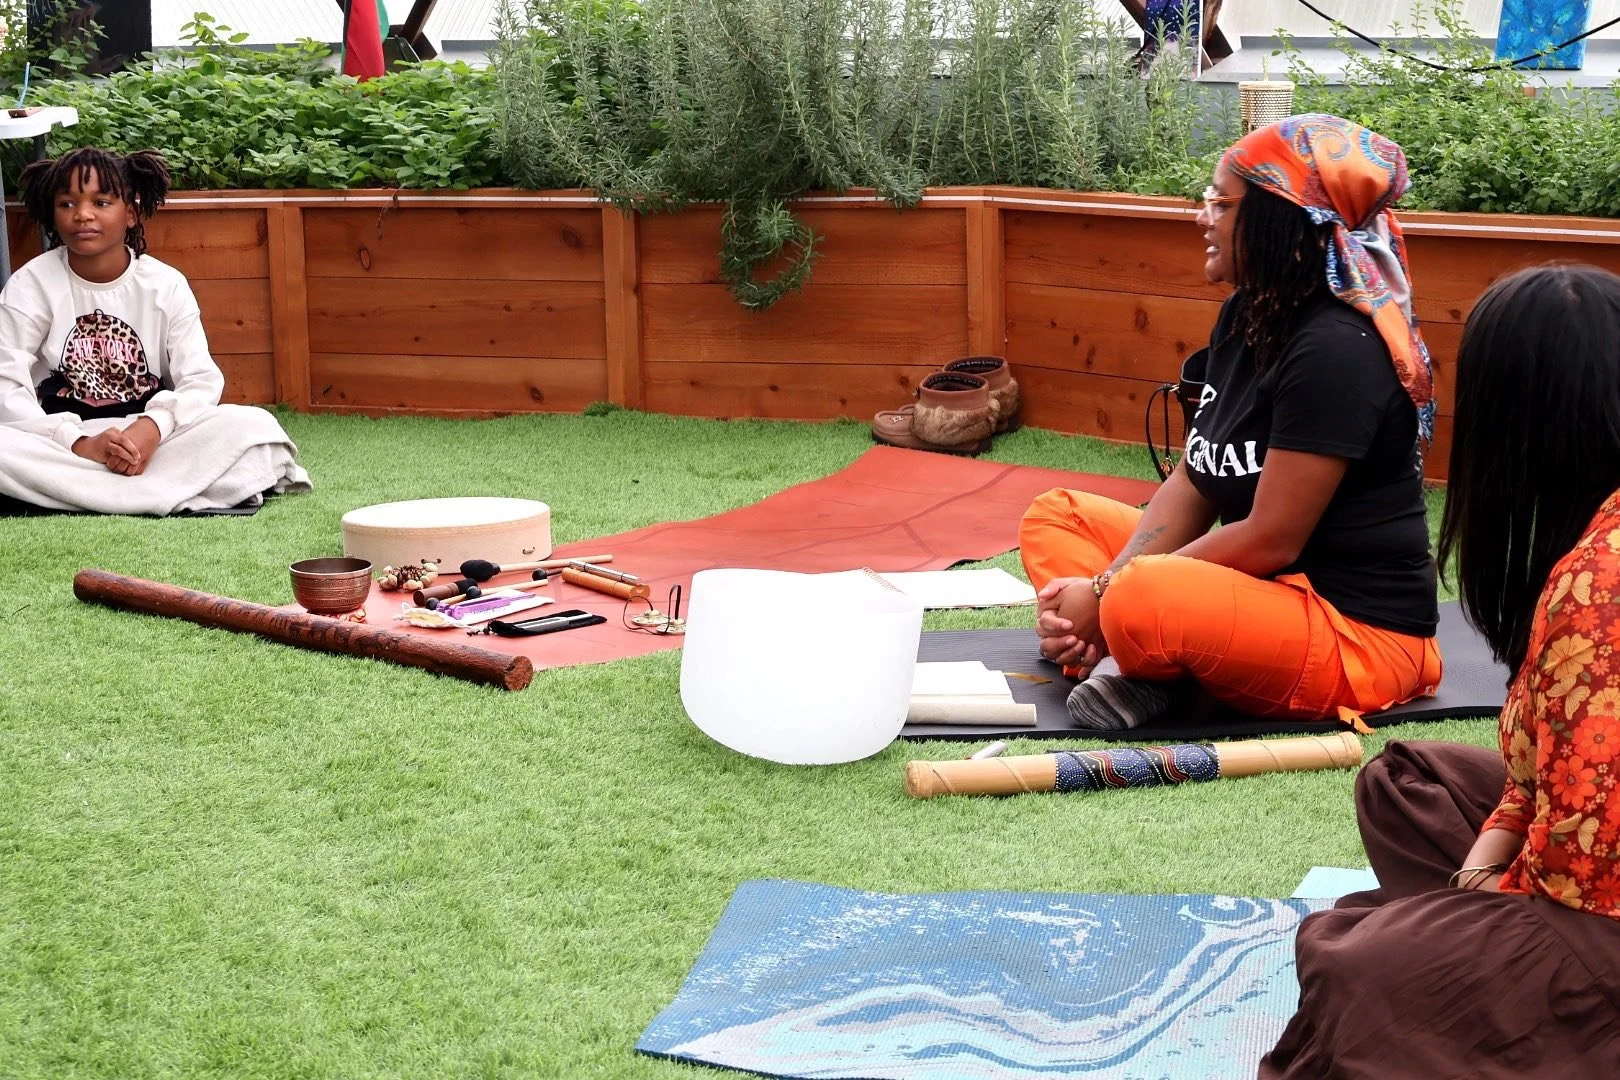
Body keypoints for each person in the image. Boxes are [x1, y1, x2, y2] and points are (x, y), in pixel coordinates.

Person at [1260, 264, 1620, 1075]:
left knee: (1357, 956)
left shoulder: (1600, 579)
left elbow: (1589, 868)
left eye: (1224, 204)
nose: (1206, 218)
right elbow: (1546, 772)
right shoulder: (1589, 545)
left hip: (1597, 893)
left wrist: (1486, 902)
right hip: (1577, 848)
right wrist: (1486, 863)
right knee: (1408, 782)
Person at [1021, 113, 1442, 730]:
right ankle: (1126, 652)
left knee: (1143, 595)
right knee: (1057, 515)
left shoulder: (1336, 347)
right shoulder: (1246, 313)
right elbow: (1197, 482)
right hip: (1257, 594)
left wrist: (1110, 594)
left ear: (1280, 218)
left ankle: (1130, 655)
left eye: (1220, 202)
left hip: (1353, 632)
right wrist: (1104, 587)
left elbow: (1272, 538)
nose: (1201, 217)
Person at [0, 146, 308, 514]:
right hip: (62, 441)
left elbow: (199, 380)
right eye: (67, 204)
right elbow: (6, 383)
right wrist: (78, 441)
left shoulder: (165, 284)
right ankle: (168, 493)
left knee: (255, 427)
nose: (82, 215)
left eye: (101, 202)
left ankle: (77, 494)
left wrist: (152, 428)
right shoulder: (30, 285)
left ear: (130, 213)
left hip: (148, 441)